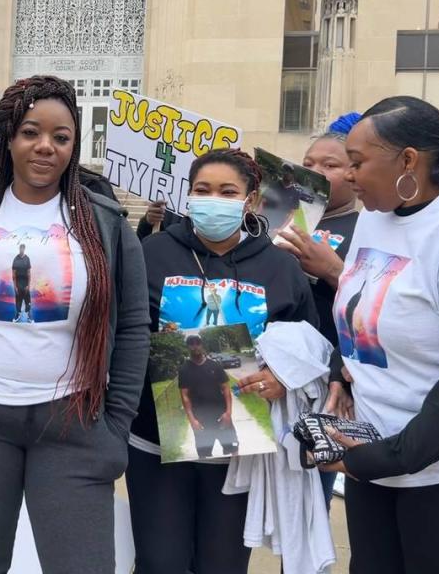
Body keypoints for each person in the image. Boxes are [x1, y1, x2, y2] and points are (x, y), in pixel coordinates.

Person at [0, 75, 150, 574]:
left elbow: (133, 327)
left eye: (61, 137)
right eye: (31, 132)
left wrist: (116, 426)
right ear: (9, 139)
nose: (46, 147)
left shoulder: (104, 221)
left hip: (73, 425)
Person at [318, 96, 439, 574]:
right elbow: (365, 313)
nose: (347, 176)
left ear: (408, 160)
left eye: (358, 163)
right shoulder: (375, 215)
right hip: (378, 464)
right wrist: (341, 376)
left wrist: (390, 456)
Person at [126, 148, 319, 574]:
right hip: (155, 443)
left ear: (250, 200)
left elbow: (309, 343)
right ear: (188, 196)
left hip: (239, 452)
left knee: (223, 565)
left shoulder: (280, 268)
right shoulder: (150, 254)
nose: (214, 199)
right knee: (161, 563)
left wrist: (280, 377)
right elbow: (122, 331)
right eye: (203, 190)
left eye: (227, 191)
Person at [276, 113, 363, 504]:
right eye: (308, 164)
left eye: (330, 165)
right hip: (272, 373)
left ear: (354, 175)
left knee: (310, 497)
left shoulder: (367, 227)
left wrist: (332, 271)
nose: (314, 171)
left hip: (326, 379)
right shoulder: (275, 219)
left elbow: (379, 306)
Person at [179, 334, 237, 458]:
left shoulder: (215, 365)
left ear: (202, 344)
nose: (195, 346)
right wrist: (192, 420)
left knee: (233, 449)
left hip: (221, 416)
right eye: (191, 343)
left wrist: (228, 413)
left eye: (197, 343)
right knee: (203, 454)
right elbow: (185, 396)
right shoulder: (184, 370)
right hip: (200, 420)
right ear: (188, 347)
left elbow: (226, 388)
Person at [11, 244, 32, 323]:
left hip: (26, 284)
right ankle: (18, 314)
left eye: (23, 248)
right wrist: (15, 286)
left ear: (24, 249)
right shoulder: (16, 259)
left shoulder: (27, 259)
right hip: (18, 284)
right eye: (20, 248)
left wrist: (28, 285)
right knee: (18, 301)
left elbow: (29, 273)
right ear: (19, 249)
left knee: (28, 301)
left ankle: (29, 316)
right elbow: (13, 274)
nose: (22, 250)